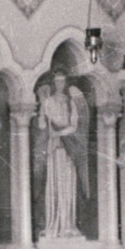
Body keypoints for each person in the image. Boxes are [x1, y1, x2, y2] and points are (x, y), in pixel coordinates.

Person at [33, 67, 88, 239]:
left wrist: (59, 133)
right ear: (53, 82)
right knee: (54, 183)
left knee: (68, 185)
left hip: (67, 148)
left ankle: (68, 225)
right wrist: (42, 107)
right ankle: (53, 224)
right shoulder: (48, 101)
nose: (60, 84)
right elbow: (42, 126)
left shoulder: (70, 102)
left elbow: (74, 125)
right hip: (54, 149)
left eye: (62, 81)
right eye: (57, 81)